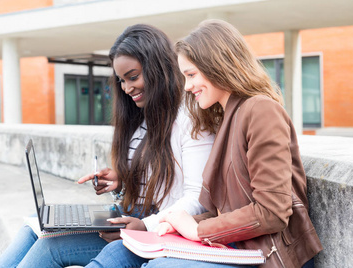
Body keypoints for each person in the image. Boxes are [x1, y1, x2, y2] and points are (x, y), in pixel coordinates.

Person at [87, 19, 323, 268]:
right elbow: (228, 210)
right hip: (236, 246)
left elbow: (272, 212)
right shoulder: (227, 117)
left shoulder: (261, 110)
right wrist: (179, 224)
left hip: (265, 255)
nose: (187, 87)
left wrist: (197, 230)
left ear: (218, 66)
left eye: (191, 75)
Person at [0, 24, 214, 268]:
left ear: (158, 67)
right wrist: (123, 178)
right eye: (121, 80)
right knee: (34, 225)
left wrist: (145, 225)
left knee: (49, 246)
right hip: (130, 214)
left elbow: (197, 197)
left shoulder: (190, 120)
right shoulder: (145, 117)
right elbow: (156, 174)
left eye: (133, 77)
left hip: (155, 226)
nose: (127, 89)